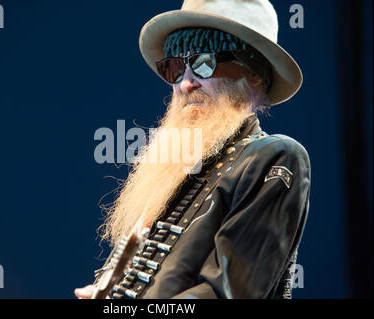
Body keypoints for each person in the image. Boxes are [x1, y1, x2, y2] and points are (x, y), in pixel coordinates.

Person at [75, 0, 311, 299]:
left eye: (203, 63)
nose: (185, 83)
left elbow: (228, 293)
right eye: (174, 67)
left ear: (253, 73)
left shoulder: (275, 156)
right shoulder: (173, 172)